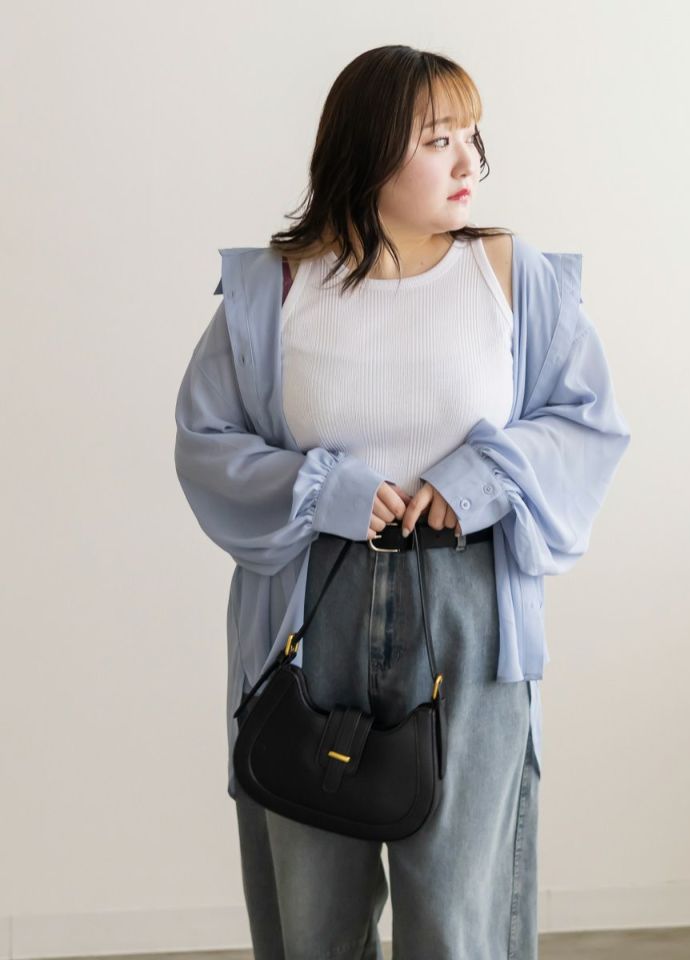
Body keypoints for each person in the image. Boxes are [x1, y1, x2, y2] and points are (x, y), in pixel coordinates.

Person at [174, 44, 631, 960]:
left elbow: (587, 422)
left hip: (469, 614)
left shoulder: (512, 275)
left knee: (458, 918)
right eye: (437, 139)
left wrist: (478, 481)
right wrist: (328, 492)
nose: (470, 162)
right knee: (314, 918)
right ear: (367, 149)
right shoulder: (273, 290)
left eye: (473, 136)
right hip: (310, 608)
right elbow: (206, 441)